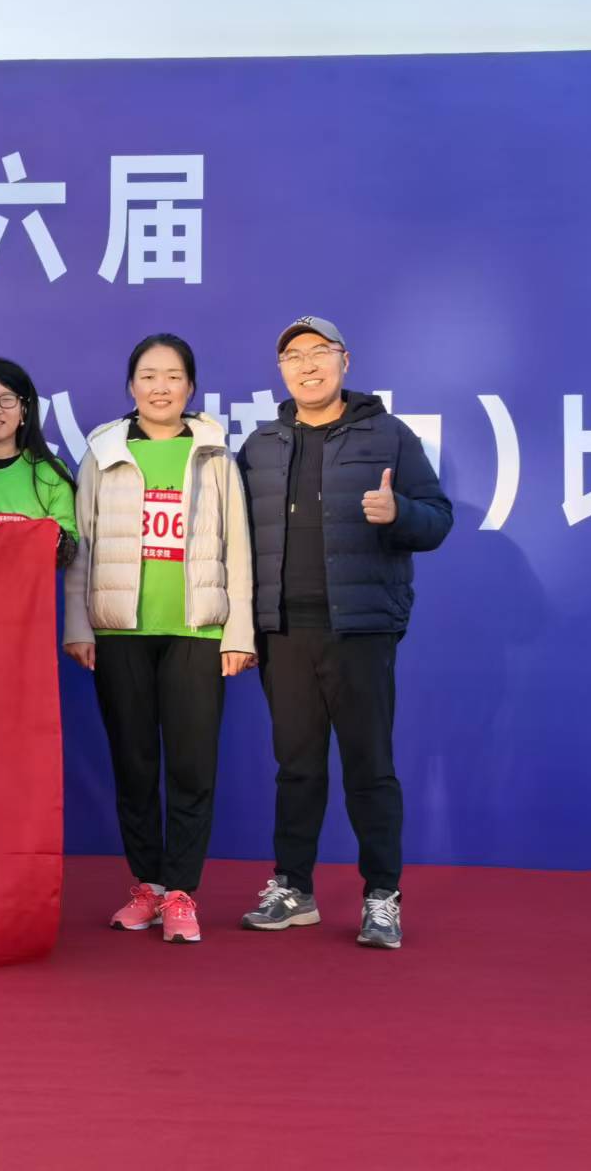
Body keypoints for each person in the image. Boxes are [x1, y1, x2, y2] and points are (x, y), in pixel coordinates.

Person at [237, 316, 452, 950]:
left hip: (360, 629)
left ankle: (382, 895)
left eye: (319, 352)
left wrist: (399, 512)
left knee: (369, 766)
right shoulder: (261, 445)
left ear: (344, 361)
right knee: (296, 768)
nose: (307, 365)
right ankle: (293, 889)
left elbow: (438, 519)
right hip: (283, 631)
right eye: (293, 356)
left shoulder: (389, 435)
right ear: (281, 371)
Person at [62, 334, 254, 944]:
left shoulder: (214, 453)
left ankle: (181, 892)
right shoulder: (104, 452)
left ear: (190, 386)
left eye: (173, 376)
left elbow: (238, 547)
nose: (160, 387)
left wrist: (239, 632)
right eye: (148, 376)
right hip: (121, 630)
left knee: (193, 767)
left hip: (198, 629)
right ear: (131, 386)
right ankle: (146, 885)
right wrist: (78, 623)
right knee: (134, 763)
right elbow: (82, 543)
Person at [0, 356, 79, 566]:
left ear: (24, 409)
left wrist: (56, 539)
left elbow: (68, 553)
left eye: (7, 399)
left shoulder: (49, 471)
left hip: (25, 587)